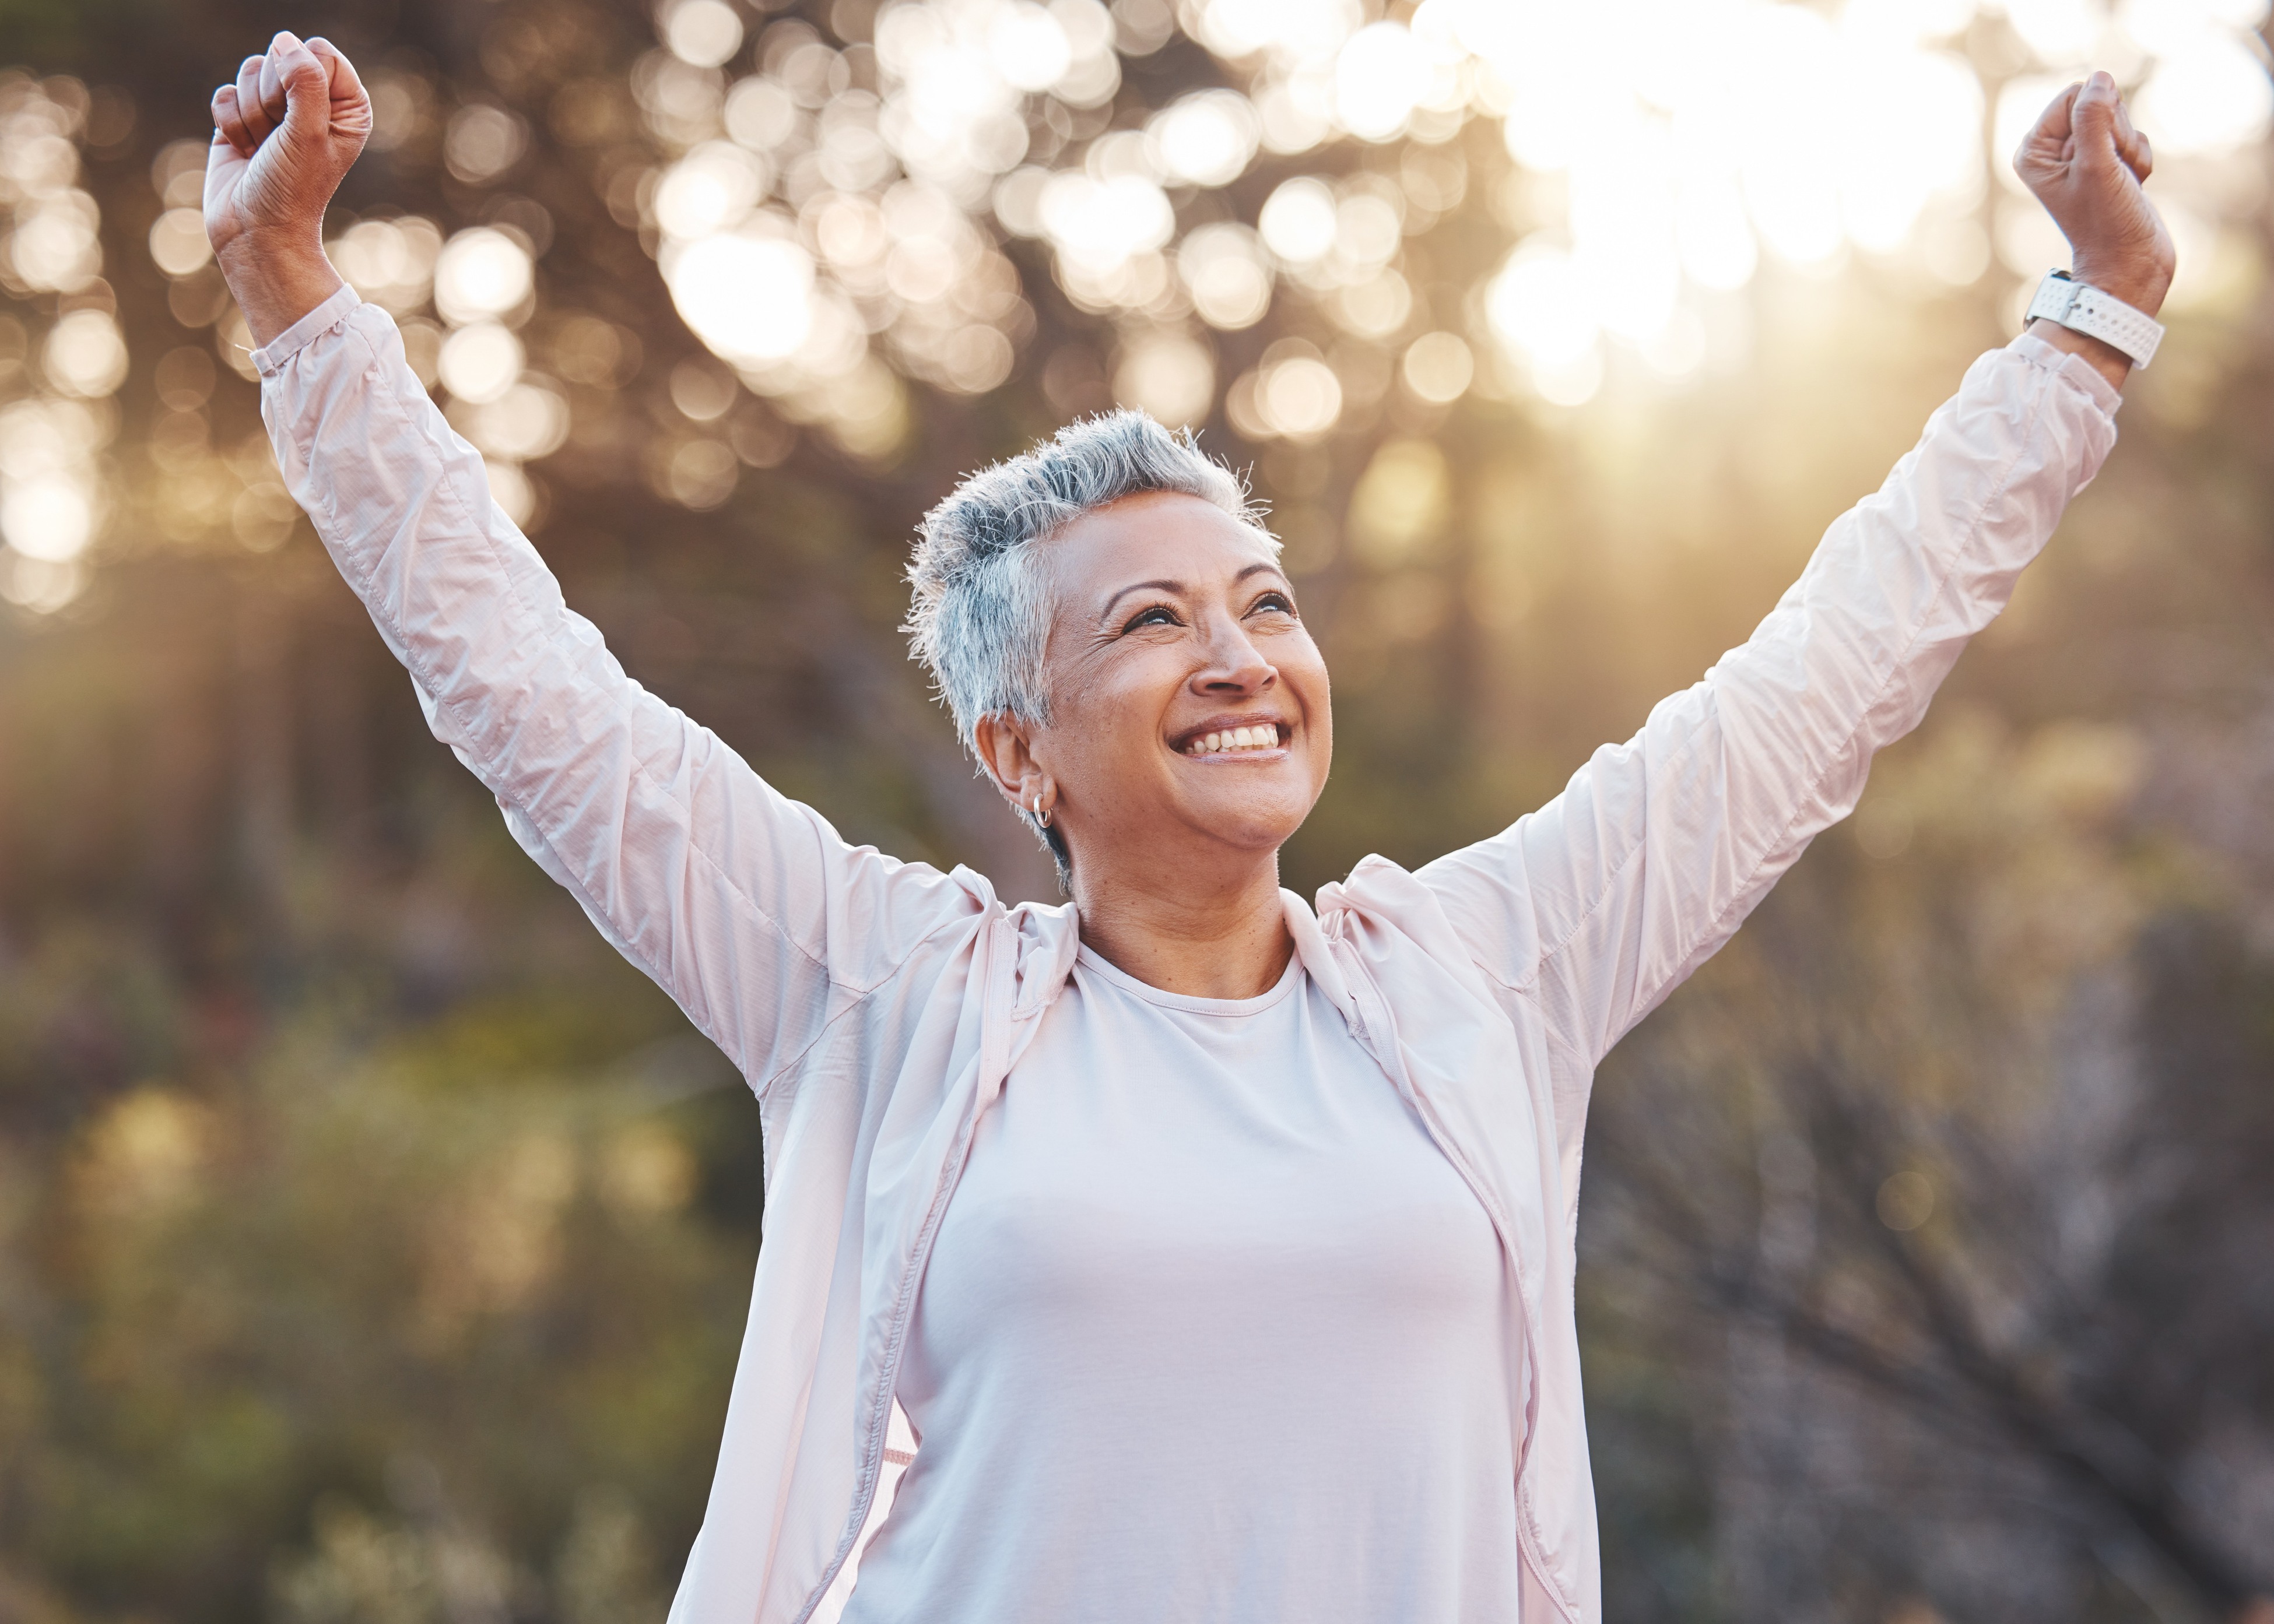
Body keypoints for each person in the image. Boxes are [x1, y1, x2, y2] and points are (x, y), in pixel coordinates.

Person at [205, 29, 2174, 1624]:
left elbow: (1820, 674)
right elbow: (538, 700)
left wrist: (2087, 330)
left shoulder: (1485, 977)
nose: (1240, 656)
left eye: (1265, 605)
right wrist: (296, 303)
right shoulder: (880, 991)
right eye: (1151, 623)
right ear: (1017, 746)